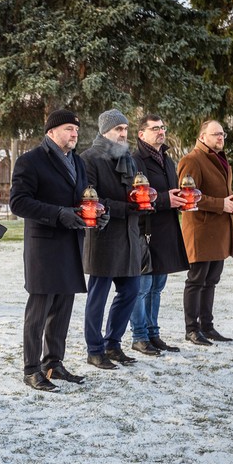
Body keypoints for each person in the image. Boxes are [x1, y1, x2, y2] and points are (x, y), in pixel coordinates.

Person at [10, 109, 103, 391]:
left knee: (63, 308)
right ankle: (31, 369)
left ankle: (53, 363)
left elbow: (84, 198)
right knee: (38, 311)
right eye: (67, 129)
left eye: (76, 130)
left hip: (72, 242)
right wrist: (58, 213)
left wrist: (98, 214)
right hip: (44, 245)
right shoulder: (31, 161)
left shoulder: (77, 161)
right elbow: (18, 203)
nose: (74, 134)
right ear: (51, 132)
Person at [80, 109, 143, 370]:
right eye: (118, 129)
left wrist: (143, 201)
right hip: (103, 236)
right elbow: (90, 200)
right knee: (98, 294)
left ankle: (113, 343)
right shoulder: (89, 158)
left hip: (129, 235)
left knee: (130, 290)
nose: (123, 134)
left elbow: (138, 189)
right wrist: (125, 208)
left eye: (125, 129)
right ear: (105, 130)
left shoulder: (128, 158)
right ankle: (94, 350)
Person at [129, 114, 190, 355]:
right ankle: (139, 336)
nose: (161, 132)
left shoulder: (168, 160)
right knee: (142, 287)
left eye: (163, 127)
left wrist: (183, 200)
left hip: (165, 230)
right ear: (141, 134)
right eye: (155, 128)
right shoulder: (135, 161)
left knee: (157, 287)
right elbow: (136, 195)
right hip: (145, 231)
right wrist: (166, 199)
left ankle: (154, 334)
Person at [177, 119, 233, 345]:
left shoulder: (220, 159)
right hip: (200, 230)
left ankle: (207, 326)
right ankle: (191, 329)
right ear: (202, 137)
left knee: (211, 280)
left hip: (218, 231)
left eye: (222, 134)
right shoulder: (192, 160)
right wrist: (221, 204)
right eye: (215, 134)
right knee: (196, 280)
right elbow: (188, 195)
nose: (220, 138)